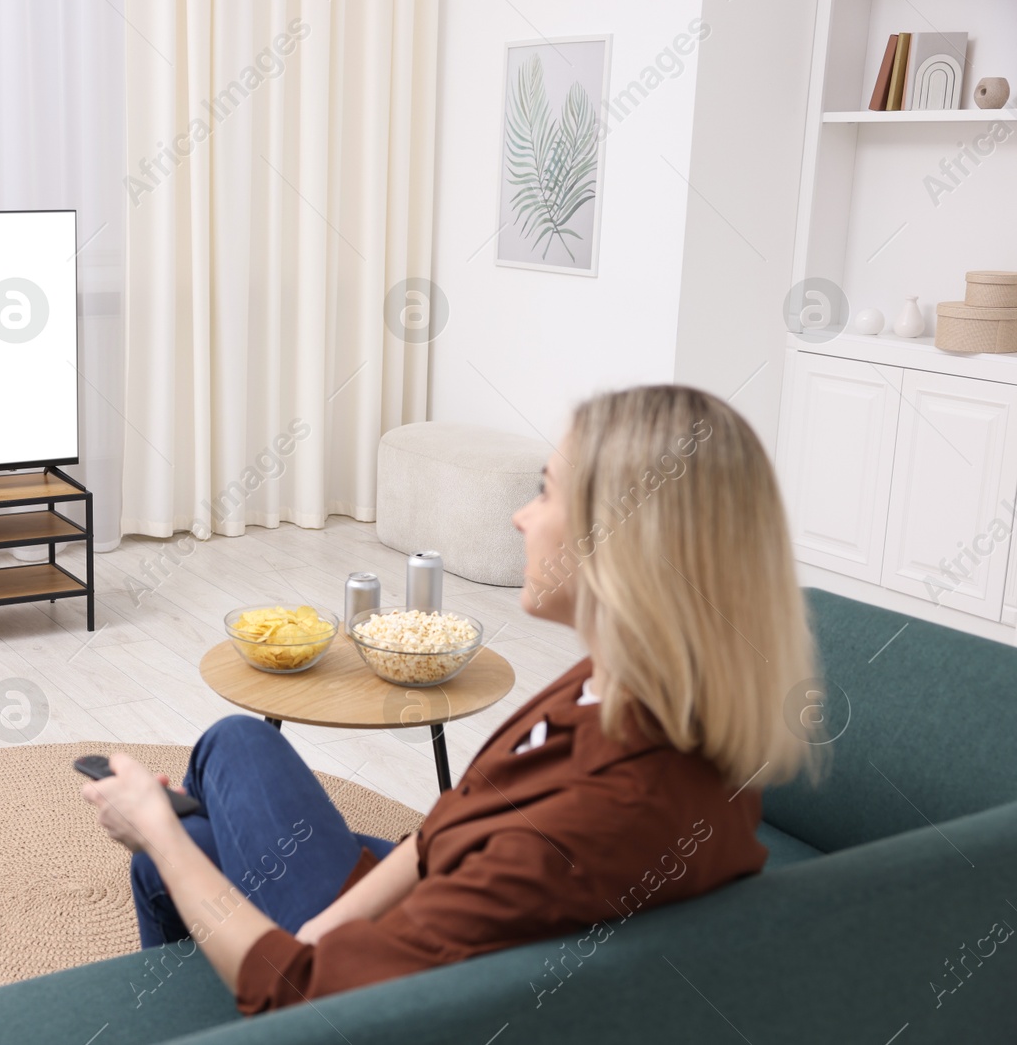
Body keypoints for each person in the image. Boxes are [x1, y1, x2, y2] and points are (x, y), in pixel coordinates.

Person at [81, 385, 822, 1014]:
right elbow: (446, 830)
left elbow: (305, 992)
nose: (520, 518)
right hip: (410, 900)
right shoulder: (622, 687)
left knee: (213, 777)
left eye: (546, 492)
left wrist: (157, 828)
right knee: (204, 822)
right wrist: (317, 925)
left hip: (371, 996)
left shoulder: (597, 820)